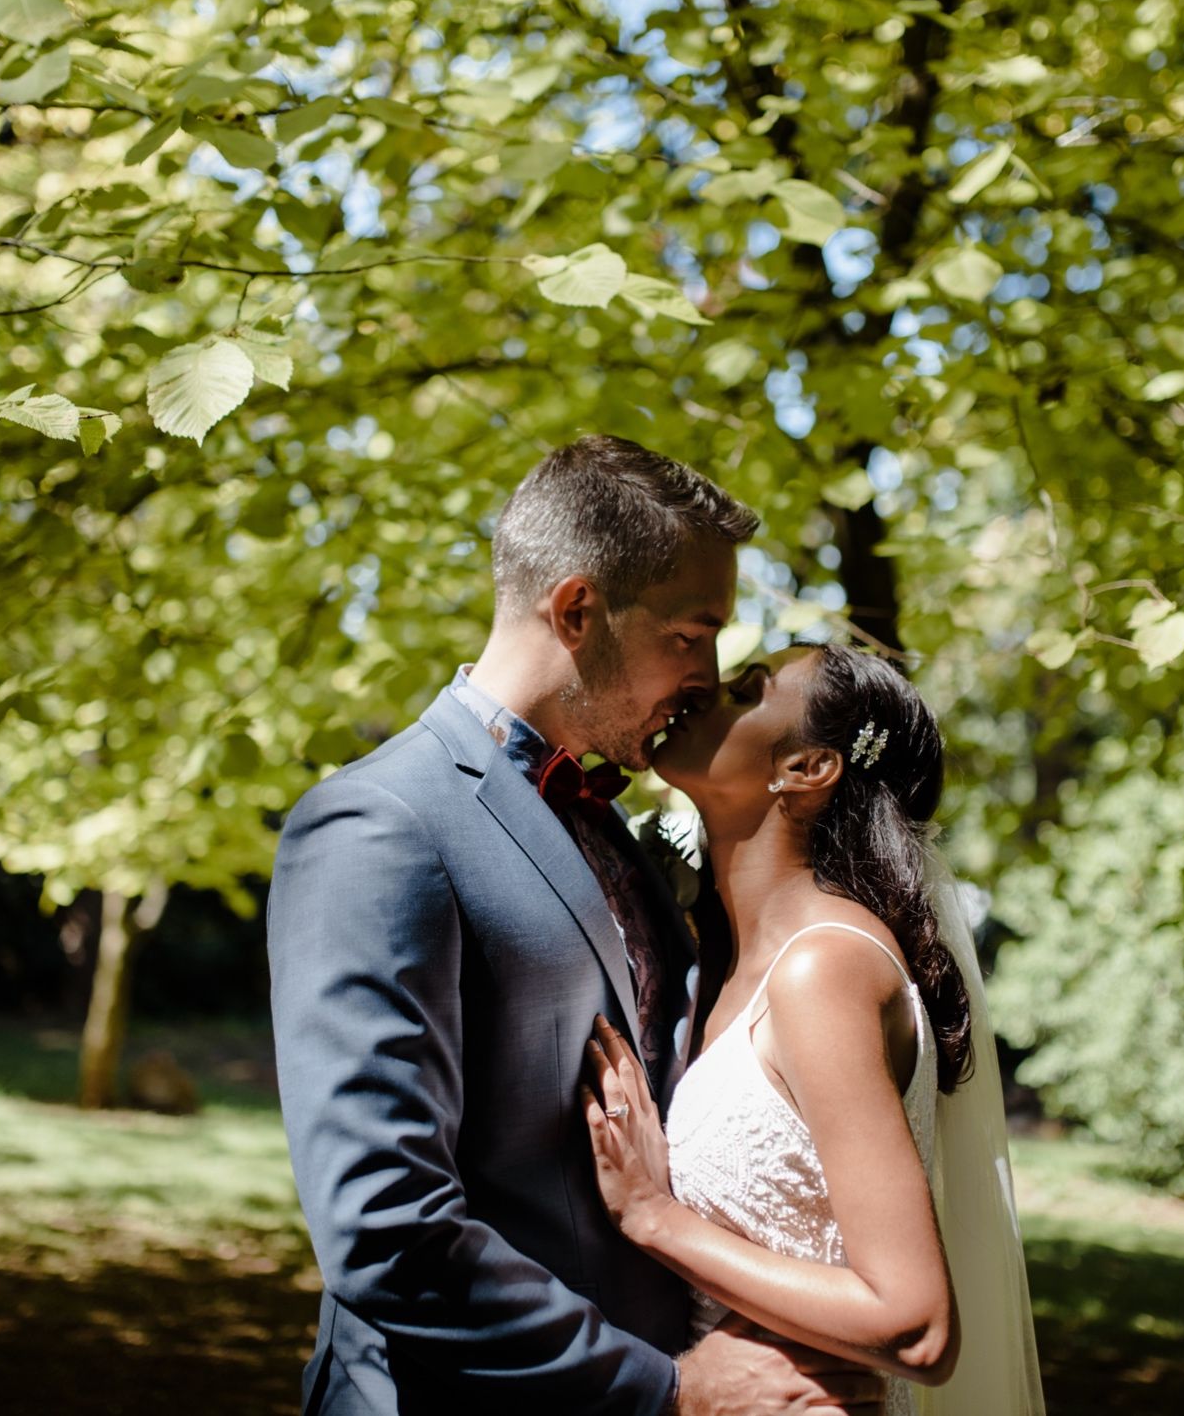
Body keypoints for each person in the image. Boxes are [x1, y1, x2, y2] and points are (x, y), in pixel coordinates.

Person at [268, 437, 882, 1414]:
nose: (706, 673)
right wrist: (664, 1387)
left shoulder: (613, 826)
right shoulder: (382, 825)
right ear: (576, 609)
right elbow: (384, 1226)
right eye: (690, 633)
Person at [583, 643, 1047, 1416]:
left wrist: (651, 1216)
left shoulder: (823, 970)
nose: (702, 691)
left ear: (806, 768)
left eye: (746, 690)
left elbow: (916, 1325)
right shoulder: (733, 964)